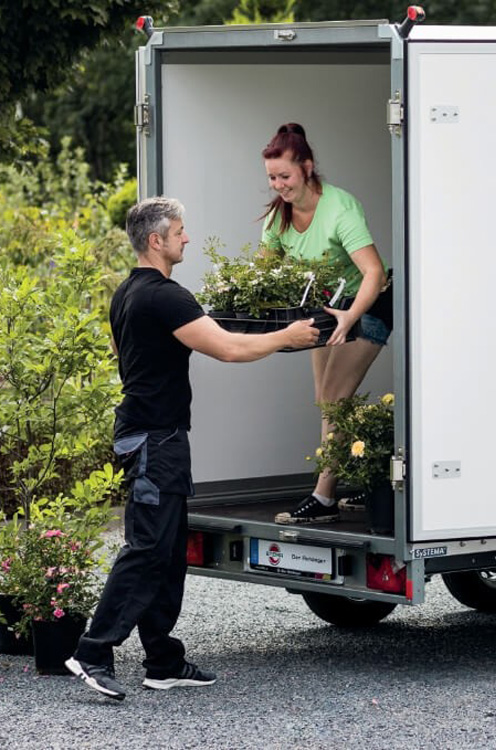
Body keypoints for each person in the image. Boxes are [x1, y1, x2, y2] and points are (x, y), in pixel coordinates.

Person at [66, 197, 318, 701]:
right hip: (154, 441)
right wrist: (287, 335)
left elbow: (121, 350)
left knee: (167, 551)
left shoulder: (126, 293)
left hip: (152, 435)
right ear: (156, 240)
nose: (187, 238)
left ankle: (163, 661)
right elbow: (229, 348)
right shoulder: (165, 296)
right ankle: (92, 652)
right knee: (147, 549)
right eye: (180, 231)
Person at [259, 123, 391, 525]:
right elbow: (264, 272)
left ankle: (324, 497)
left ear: (307, 168)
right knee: (329, 402)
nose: (278, 185)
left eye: (285, 176)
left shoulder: (340, 209)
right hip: (325, 310)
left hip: (367, 305)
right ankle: (373, 476)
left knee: (334, 399)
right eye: (272, 178)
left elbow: (373, 272)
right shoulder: (279, 217)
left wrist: (352, 316)